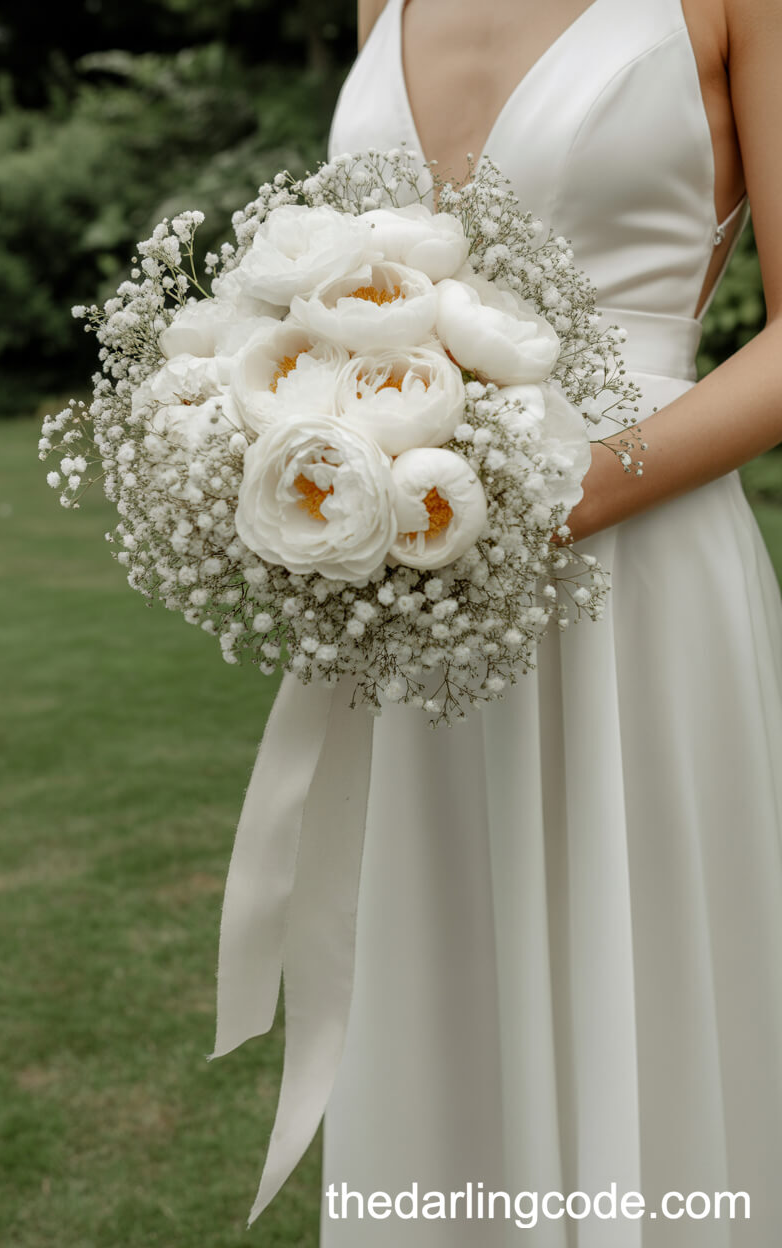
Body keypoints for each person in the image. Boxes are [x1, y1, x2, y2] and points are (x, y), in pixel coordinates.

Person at [317, 0, 782, 1242]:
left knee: (643, 972)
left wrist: (574, 490)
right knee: (441, 970)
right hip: (423, 568)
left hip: (641, 566)